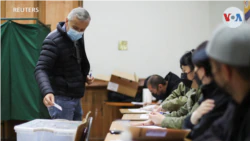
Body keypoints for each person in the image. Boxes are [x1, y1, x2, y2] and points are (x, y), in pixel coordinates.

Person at [35, 7, 94, 121]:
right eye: (75, 28)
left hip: (76, 96)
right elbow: (41, 69)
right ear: (67, 21)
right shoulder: (53, 41)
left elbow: (74, 63)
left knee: (76, 136)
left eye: (82, 30)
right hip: (61, 99)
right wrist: (47, 91)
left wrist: (84, 76)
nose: (78, 32)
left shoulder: (78, 38)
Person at [195, 23, 250, 141]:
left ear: (226, 71)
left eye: (213, 67)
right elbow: (216, 133)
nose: (212, 72)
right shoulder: (236, 104)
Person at [182, 41, 230, 140]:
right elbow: (187, 122)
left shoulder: (221, 96)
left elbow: (198, 133)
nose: (195, 72)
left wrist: (192, 119)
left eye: (196, 67)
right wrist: (193, 117)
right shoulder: (209, 91)